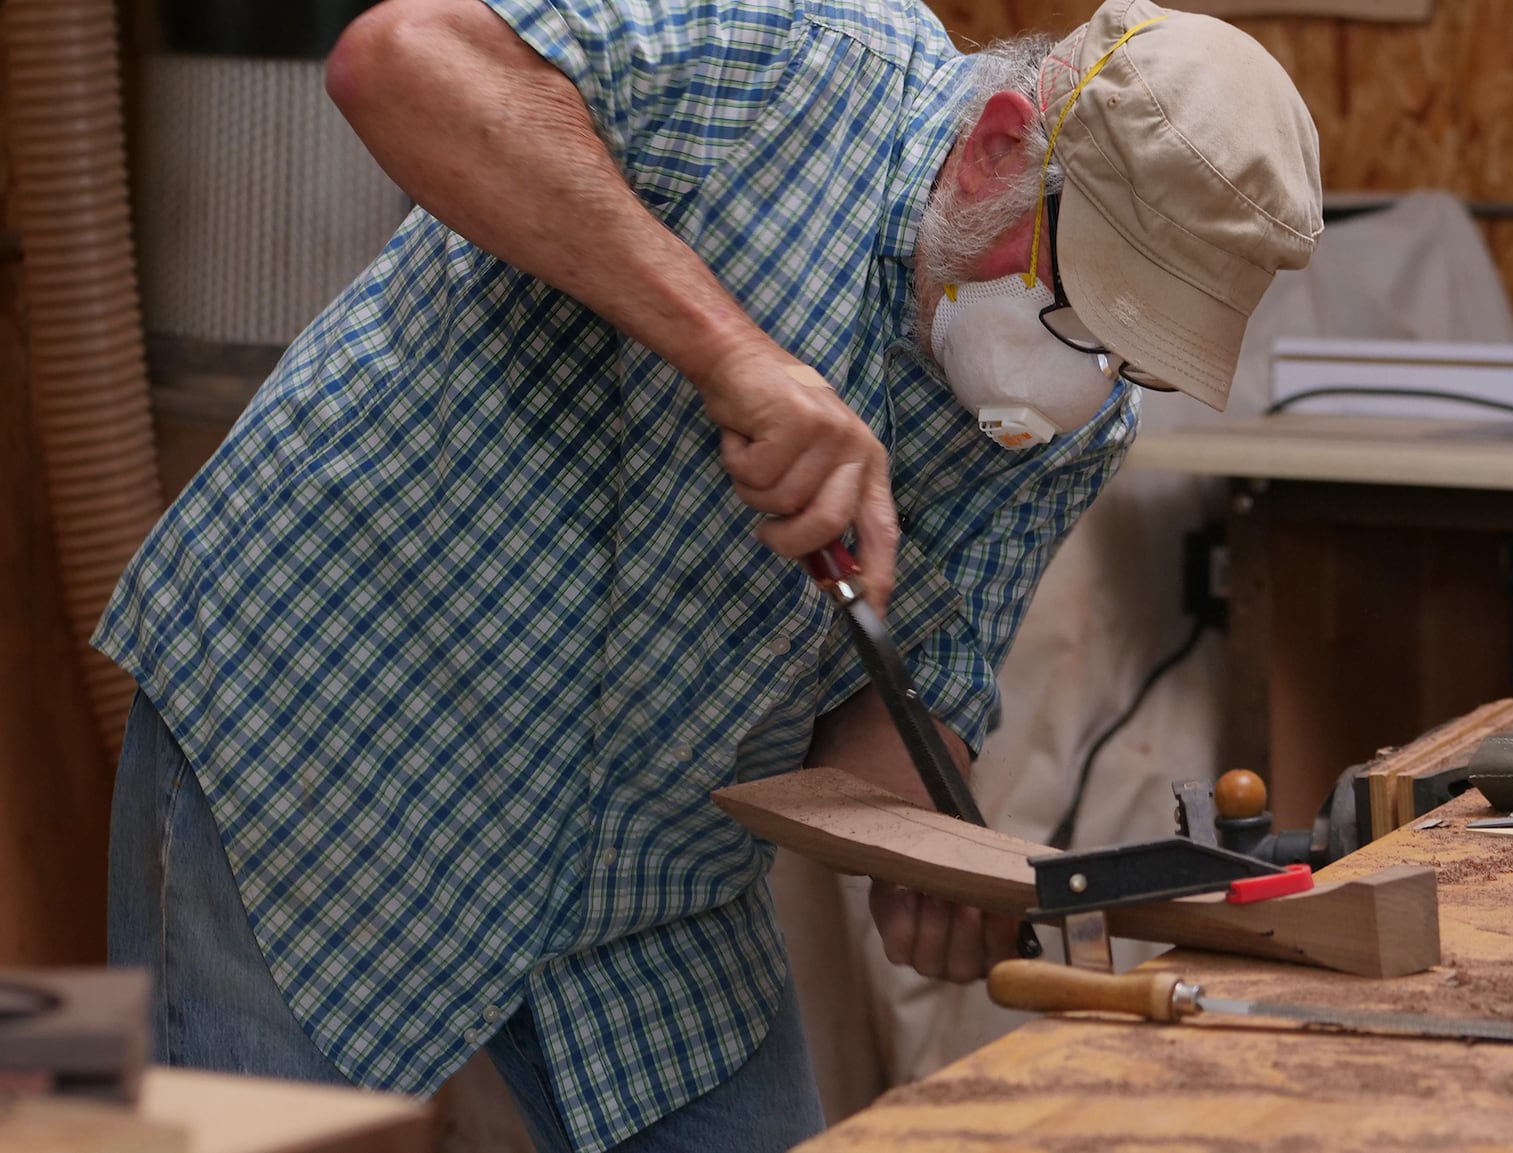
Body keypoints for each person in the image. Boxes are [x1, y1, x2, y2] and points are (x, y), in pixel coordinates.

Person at [95, 0, 1321, 1148]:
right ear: (1001, 146)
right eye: (1076, 315)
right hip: (337, 746)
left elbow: (900, 720)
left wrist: (943, 860)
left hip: (649, 869)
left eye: (1128, 357)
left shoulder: (1064, 433)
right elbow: (395, 63)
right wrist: (732, 354)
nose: (1082, 385)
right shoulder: (786, 56)